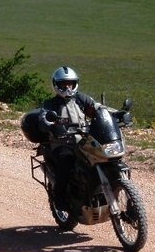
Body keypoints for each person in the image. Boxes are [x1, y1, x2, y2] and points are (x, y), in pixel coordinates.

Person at [38, 66, 114, 210]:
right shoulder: (50, 104)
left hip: (83, 141)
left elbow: (97, 108)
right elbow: (43, 117)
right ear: (56, 85)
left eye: (70, 83)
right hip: (61, 143)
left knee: (101, 157)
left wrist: (114, 114)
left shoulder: (80, 98)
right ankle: (58, 196)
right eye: (63, 84)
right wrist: (49, 123)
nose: (67, 87)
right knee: (66, 161)